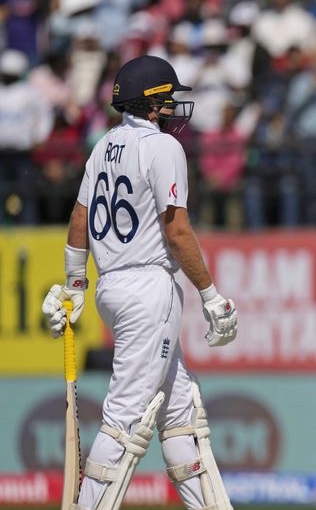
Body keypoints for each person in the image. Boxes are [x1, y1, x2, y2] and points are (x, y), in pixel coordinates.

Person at [40, 55, 238, 510]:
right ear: (150, 103)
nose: (173, 107)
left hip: (111, 286)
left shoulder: (104, 144)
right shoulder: (164, 148)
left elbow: (79, 217)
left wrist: (74, 285)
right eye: (167, 99)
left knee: (181, 416)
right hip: (149, 287)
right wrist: (211, 296)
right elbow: (177, 229)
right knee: (125, 420)